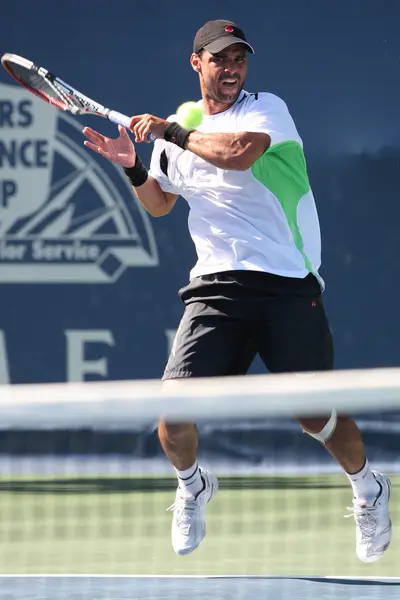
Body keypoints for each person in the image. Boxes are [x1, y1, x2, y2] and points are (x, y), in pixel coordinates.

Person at [83, 19, 392, 562]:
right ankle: (192, 485)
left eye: (239, 59)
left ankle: (369, 486)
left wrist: (170, 134)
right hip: (214, 290)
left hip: (286, 285)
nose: (231, 69)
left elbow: (238, 153)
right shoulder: (179, 124)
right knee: (172, 420)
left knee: (316, 417)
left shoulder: (265, 109)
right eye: (220, 59)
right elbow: (159, 204)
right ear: (196, 63)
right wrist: (134, 167)